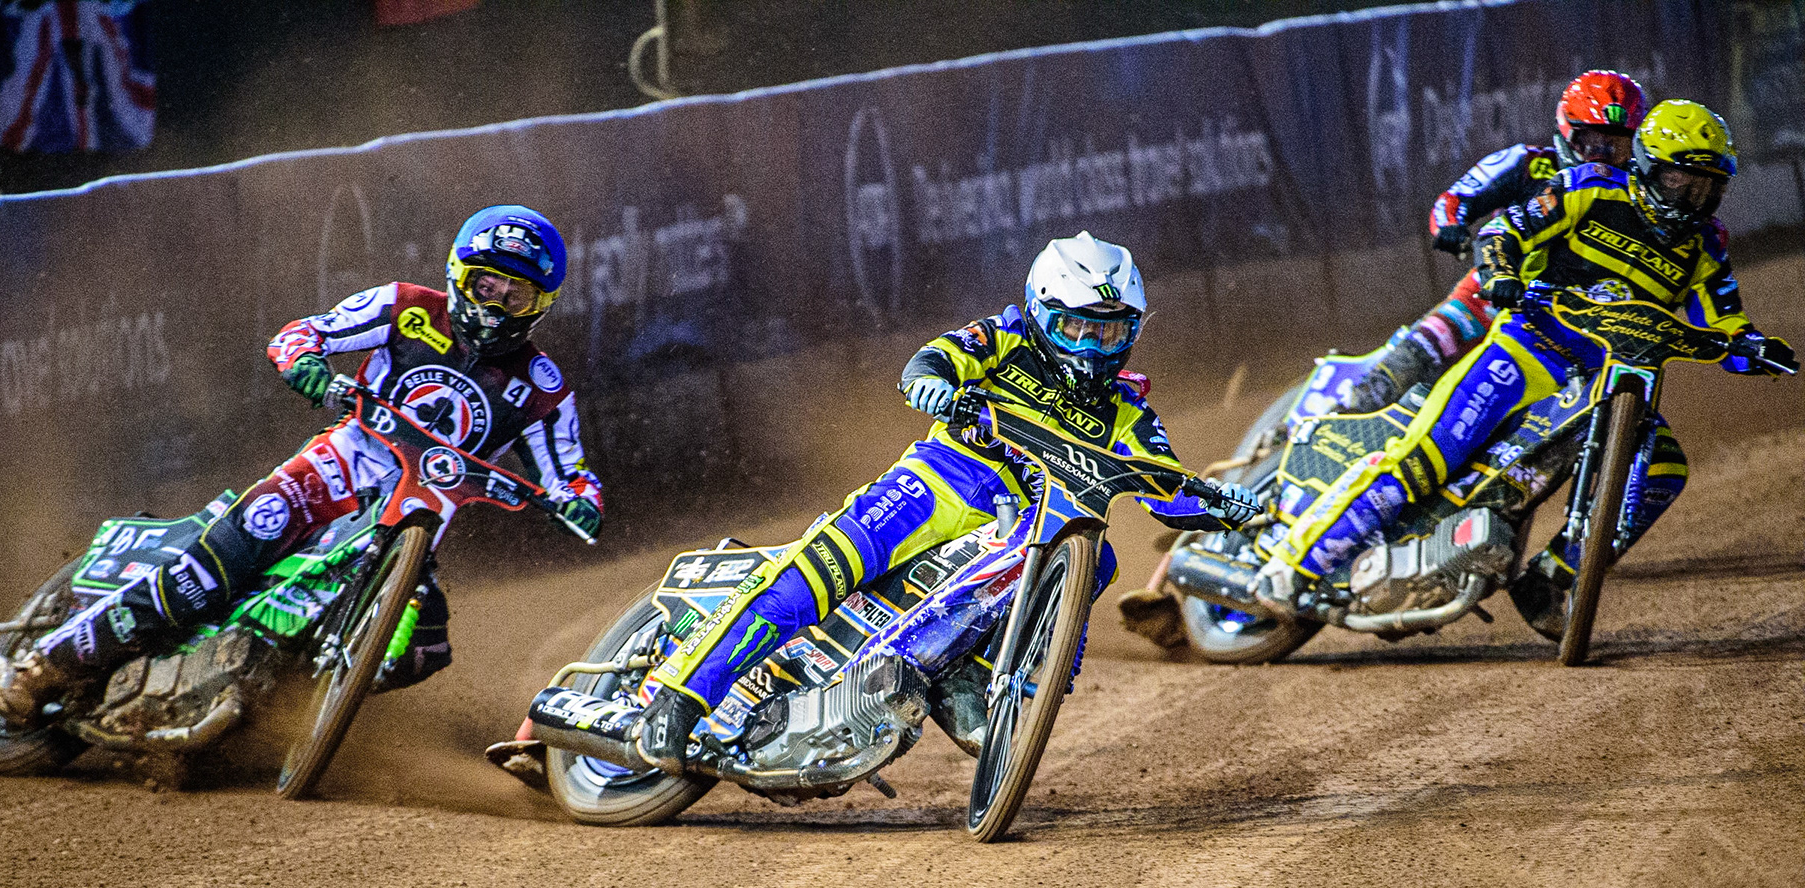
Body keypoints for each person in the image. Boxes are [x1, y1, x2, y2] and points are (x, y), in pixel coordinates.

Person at [635, 231, 1259, 774]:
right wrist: (935, 388)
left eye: (1110, 331)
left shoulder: (1129, 409)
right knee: (823, 571)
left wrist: (1224, 505)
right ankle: (680, 697)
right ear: (1043, 313)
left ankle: (976, 678)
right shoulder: (1005, 336)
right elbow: (929, 362)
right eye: (1077, 328)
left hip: (1027, 521)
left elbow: (1166, 487)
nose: (1093, 348)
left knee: (1096, 561)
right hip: (943, 480)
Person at [0, 205, 604, 722]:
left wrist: (579, 500)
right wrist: (311, 368)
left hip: (411, 526)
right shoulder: (406, 306)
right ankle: (37, 671)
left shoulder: (543, 387)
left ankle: (285, 707)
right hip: (335, 469)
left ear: (540, 304)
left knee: (421, 647)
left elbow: (569, 471)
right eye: (487, 285)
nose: (496, 304)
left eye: (516, 295)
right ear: (460, 276)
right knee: (213, 571)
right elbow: (304, 334)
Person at [1253, 101, 1795, 637]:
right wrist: (1500, 272)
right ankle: (1295, 564)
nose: (1695, 198)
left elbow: (1726, 321)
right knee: (1428, 457)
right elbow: (1503, 232)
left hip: (1611, 380)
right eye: (1683, 182)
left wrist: (1755, 349)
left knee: (1663, 471)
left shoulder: (1708, 243)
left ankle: (1549, 577)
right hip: (1528, 349)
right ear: (1650, 166)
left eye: (1708, 188)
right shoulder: (1589, 185)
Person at [1347, 70, 1647, 414]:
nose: (1602, 157)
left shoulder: (1640, 200)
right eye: (1592, 144)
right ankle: (1340, 412)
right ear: (1567, 134)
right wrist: (1450, 227)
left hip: (1571, 322)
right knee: (1410, 362)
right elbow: (1456, 198)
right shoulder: (1528, 164)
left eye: (1616, 146)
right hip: (1487, 299)